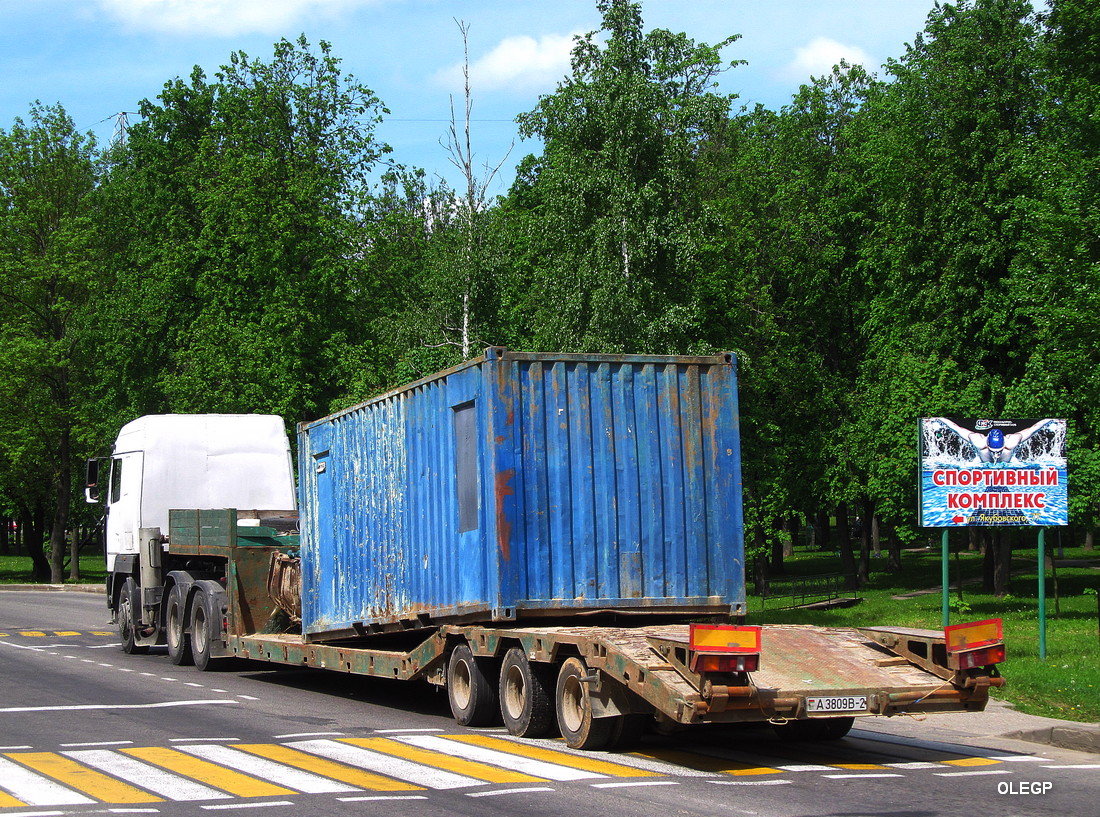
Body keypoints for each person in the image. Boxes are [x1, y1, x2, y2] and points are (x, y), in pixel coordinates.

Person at [935, 418, 1057, 464]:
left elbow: (1033, 429)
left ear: (1004, 444)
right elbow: (956, 428)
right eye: (993, 451)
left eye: (999, 451)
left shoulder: (1012, 442)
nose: (996, 455)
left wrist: (1049, 420)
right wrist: (939, 419)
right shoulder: (978, 441)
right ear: (987, 444)